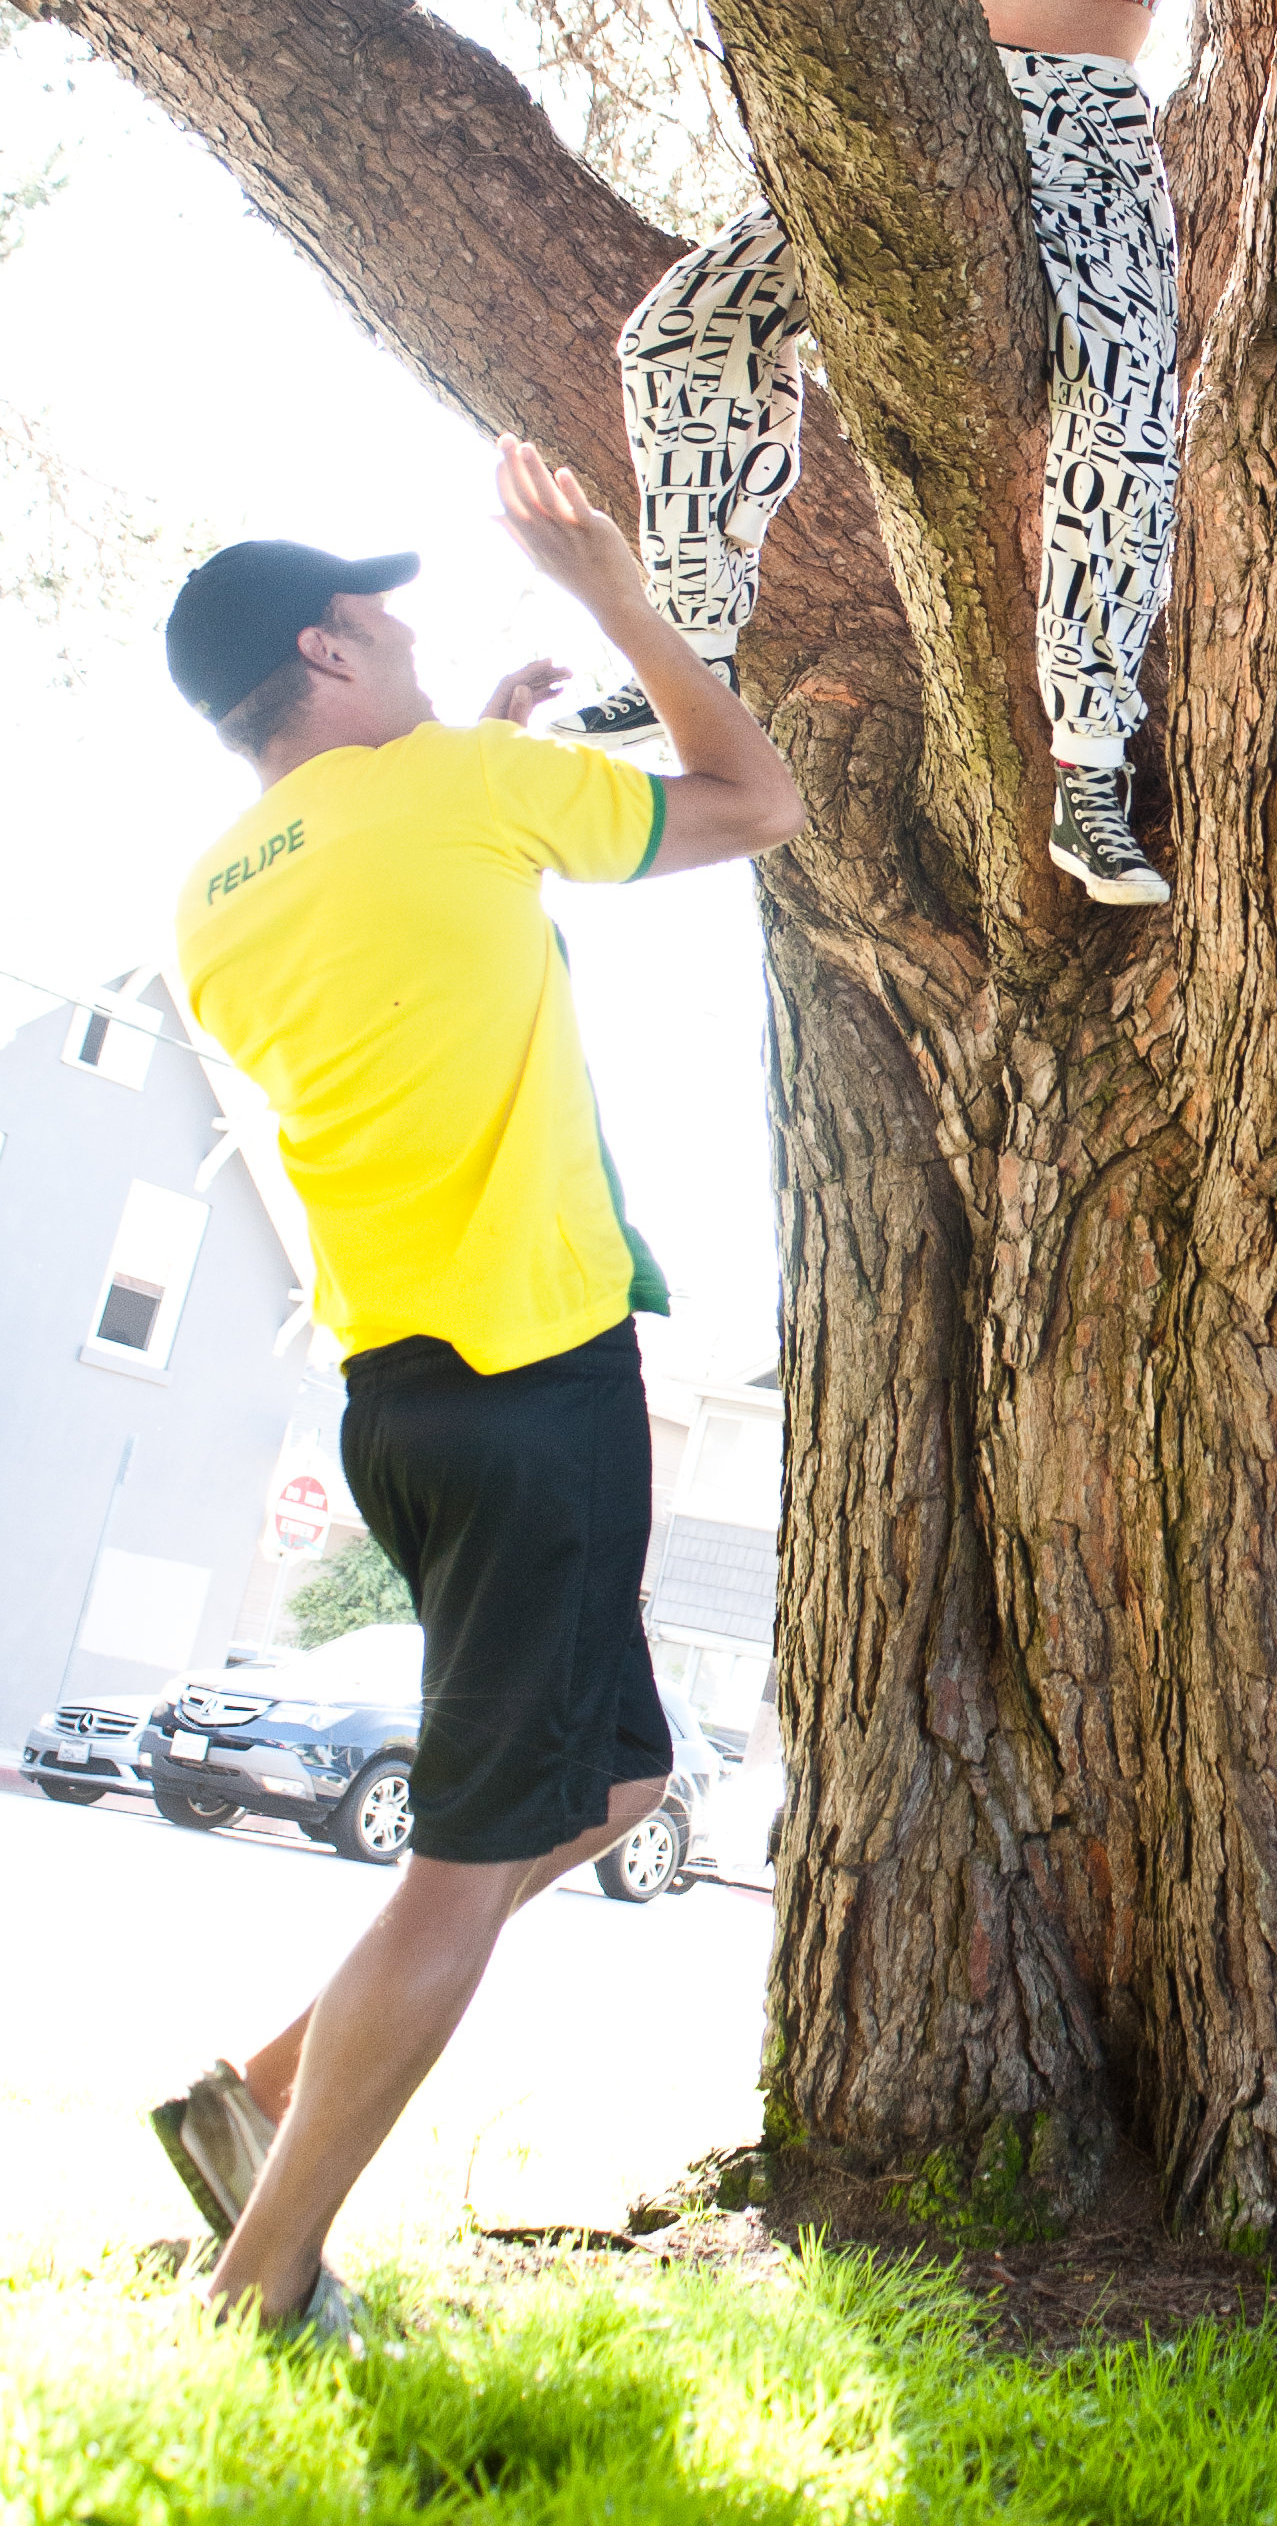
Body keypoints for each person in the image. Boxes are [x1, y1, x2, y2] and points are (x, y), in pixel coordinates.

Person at [148, 447, 804, 2336]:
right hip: (535, 1385)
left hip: (402, 1403)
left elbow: (423, 933)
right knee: (460, 1863)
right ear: (330, 646)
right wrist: (613, 598)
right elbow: (754, 800)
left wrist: (491, 764)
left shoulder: (218, 895)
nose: (419, 628)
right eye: (391, 610)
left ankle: (262, 2095)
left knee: (607, 1787)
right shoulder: (449, 796)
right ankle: (263, 2277)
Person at [574, 0, 1277, 924]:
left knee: (1127, 413)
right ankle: (694, 637)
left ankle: (1089, 766)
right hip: (936, 113)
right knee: (683, 326)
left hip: (1087, 135)